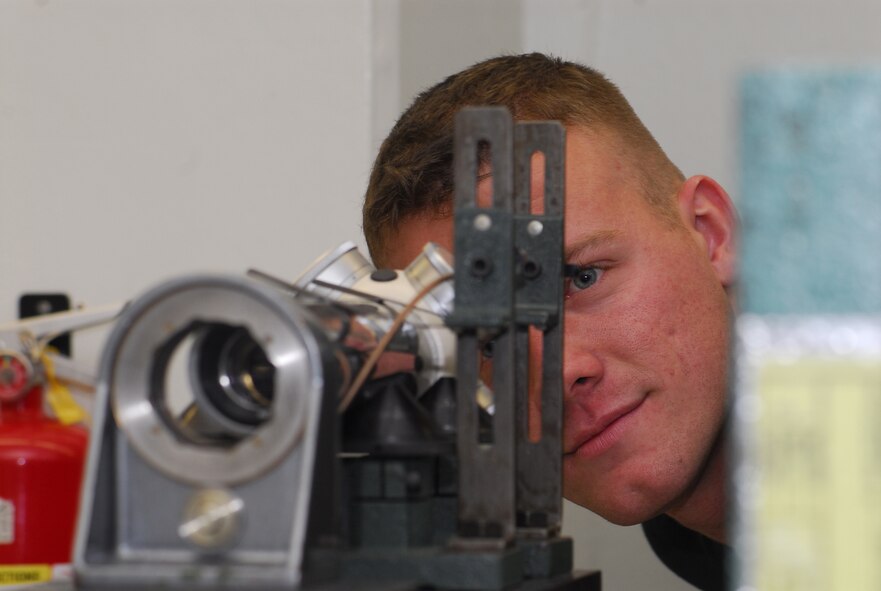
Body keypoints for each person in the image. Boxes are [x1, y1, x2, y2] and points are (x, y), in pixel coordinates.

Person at [361, 53, 736, 591]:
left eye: (582, 279)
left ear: (711, 233)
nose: (555, 375)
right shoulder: (691, 534)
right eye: (486, 344)